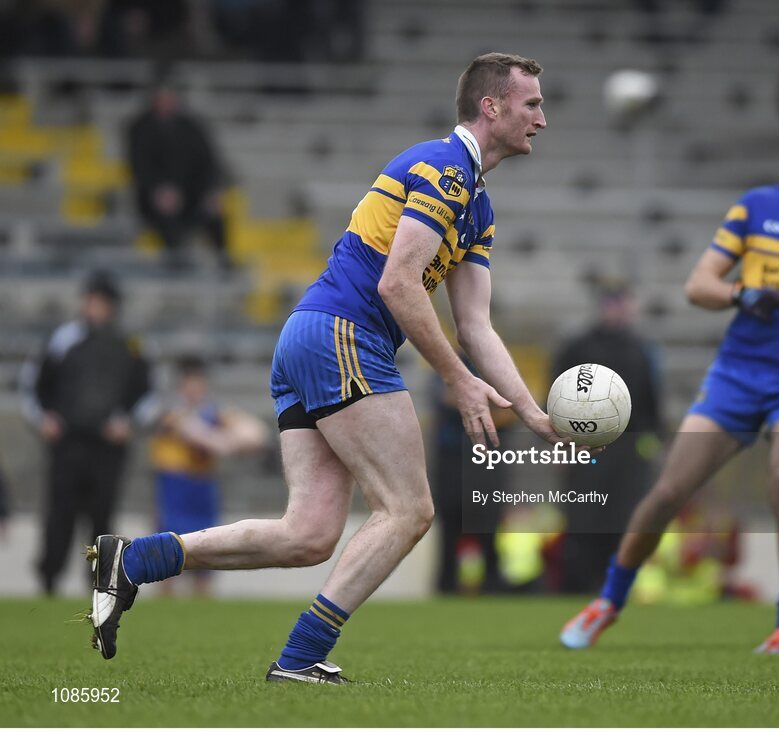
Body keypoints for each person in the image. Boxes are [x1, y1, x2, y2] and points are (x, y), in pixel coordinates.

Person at [88, 53, 556, 684]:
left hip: (311, 336)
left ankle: (134, 560)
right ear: (491, 107)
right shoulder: (445, 169)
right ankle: (301, 657)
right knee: (410, 509)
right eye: (531, 105)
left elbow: (476, 325)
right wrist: (456, 378)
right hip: (344, 334)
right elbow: (398, 285)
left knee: (306, 534)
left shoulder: (477, 204)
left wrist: (529, 408)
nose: (542, 119)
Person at [560, 98, 779, 654]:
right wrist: (741, 294)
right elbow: (699, 285)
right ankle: (608, 601)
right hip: (738, 375)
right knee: (669, 489)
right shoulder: (756, 207)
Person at [20, 271, 152, 595]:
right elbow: (31, 386)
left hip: (108, 446)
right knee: (60, 512)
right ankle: (49, 578)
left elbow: (149, 395)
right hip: (68, 442)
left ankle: (97, 585)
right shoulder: (62, 340)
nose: (97, 308)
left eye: (103, 302)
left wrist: (129, 423)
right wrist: (43, 420)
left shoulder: (130, 345)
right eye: (92, 301)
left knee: (102, 515)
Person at [552, 280, 663, 593]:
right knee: (584, 517)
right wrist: (561, 444)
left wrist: (653, 446)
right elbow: (557, 395)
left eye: (622, 302)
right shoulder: (578, 347)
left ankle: (614, 588)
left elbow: (653, 402)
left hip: (628, 449)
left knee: (623, 517)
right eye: (612, 302)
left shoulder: (642, 350)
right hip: (584, 446)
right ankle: (576, 587)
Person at [149, 356, 269, 596]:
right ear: (181, 386)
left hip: (202, 491)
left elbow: (258, 434)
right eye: (189, 384)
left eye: (198, 384)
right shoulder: (171, 414)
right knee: (167, 557)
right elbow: (203, 438)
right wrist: (230, 442)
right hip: (175, 490)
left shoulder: (214, 413)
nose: (194, 389)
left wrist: (226, 441)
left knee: (205, 557)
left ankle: (199, 610)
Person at [126, 75, 229, 270]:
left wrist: (211, 191)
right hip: (154, 200)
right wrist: (158, 190)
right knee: (167, 212)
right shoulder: (140, 128)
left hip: (191, 195)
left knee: (215, 211)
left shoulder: (191, 127)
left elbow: (208, 163)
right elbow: (139, 168)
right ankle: (177, 265)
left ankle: (224, 262)